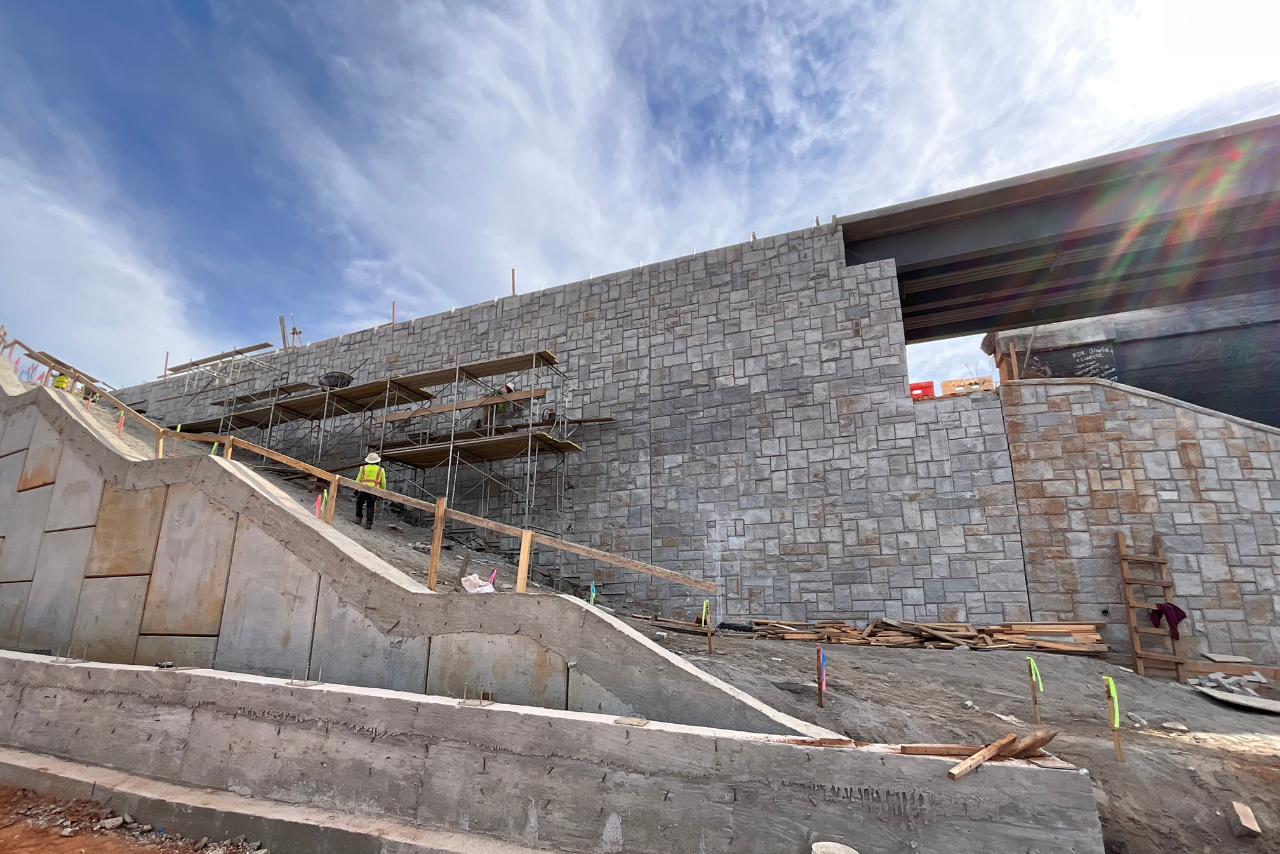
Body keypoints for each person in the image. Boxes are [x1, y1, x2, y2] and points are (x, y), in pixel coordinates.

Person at [354, 452, 386, 529]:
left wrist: (355, 488)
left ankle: (358, 518)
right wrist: (382, 492)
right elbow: (383, 482)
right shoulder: (381, 470)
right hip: (373, 491)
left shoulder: (363, 468)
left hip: (363, 489)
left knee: (359, 503)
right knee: (370, 506)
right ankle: (369, 523)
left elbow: (358, 479)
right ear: (377, 461)